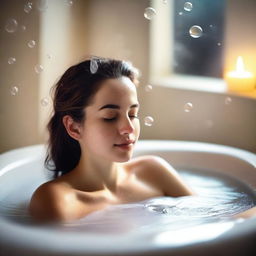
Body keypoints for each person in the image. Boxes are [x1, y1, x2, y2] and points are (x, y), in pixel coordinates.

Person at [29, 56, 195, 223]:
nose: (129, 128)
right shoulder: (57, 201)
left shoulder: (153, 172)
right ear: (73, 127)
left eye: (132, 114)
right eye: (110, 117)